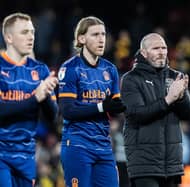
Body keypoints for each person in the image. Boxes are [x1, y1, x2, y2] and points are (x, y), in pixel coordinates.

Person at [121, 33, 190, 187]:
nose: (161, 52)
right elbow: (136, 114)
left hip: (172, 165)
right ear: (143, 52)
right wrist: (169, 99)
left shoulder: (175, 77)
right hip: (144, 166)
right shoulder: (131, 79)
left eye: (164, 48)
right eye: (156, 48)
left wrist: (181, 97)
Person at [58, 16, 126, 187]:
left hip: (103, 146)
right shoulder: (70, 68)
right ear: (81, 39)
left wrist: (124, 104)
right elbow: (68, 110)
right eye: (95, 34)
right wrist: (102, 106)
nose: (101, 39)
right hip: (77, 145)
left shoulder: (110, 69)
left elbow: (115, 107)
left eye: (103, 34)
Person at [0, 12, 58, 187]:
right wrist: (35, 98)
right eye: (24, 32)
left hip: (26, 155)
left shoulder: (40, 70)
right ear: (9, 37)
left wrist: (46, 96)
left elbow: (53, 117)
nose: (31, 36)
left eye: (32, 32)